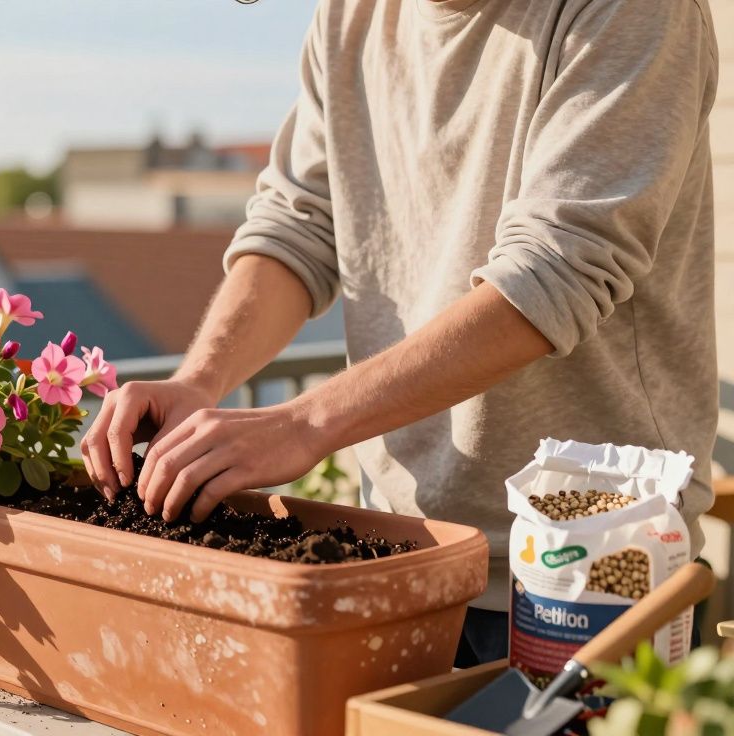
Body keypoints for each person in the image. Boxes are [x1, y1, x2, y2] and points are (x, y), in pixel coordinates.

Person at [80, 0, 719, 666]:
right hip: (399, 555)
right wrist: (199, 379)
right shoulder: (350, 16)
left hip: (594, 558)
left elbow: (556, 272)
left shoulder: (637, 10)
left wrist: (302, 425)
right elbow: (300, 227)